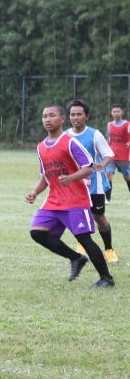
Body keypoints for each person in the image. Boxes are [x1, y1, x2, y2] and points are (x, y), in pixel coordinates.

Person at [27, 104, 114, 288]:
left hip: (76, 200)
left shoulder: (70, 142)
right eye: (44, 116)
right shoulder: (41, 147)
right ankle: (76, 258)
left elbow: (89, 167)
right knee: (37, 232)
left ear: (61, 119)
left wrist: (71, 178)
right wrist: (35, 192)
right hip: (54, 200)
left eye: (52, 115)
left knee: (83, 239)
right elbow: (46, 175)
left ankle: (106, 278)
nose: (48, 119)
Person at [66, 99, 117, 262]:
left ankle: (109, 249)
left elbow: (108, 154)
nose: (76, 117)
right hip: (75, 184)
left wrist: (102, 165)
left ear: (86, 116)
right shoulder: (65, 135)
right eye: (72, 114)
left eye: (79, 114)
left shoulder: (94, 134)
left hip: (95, 185)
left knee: (98, 217)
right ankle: (84, 244)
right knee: (79, 215)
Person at [105, 104, 130, 200]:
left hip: (124, 156)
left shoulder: (127, 124)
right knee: (108, 175)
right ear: (111, 113)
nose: (116, 113)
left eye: (118, 111)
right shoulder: (109, 125)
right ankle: (108, 199)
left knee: (127, 177)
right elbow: (108, 138)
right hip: (111, 155)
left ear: (122, 112)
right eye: (114, 111)